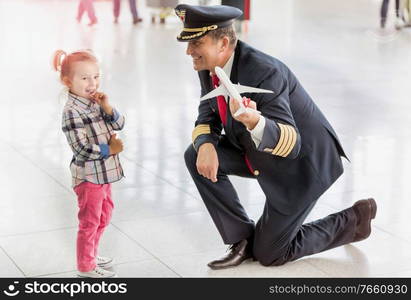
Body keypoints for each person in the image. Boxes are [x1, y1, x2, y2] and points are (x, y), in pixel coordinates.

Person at [176, 4, 377, 269]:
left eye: (196, 43)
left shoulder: (264, 72)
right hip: (257, 154)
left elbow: (291, 144)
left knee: (271, 254)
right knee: (195, 154)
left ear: (223, 43)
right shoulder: (209, 65)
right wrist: (205, 144)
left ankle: (355, 220)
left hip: (301, 165)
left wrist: (255, 121)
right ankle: (242, 240)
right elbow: (208, 111)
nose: (189, 51)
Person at [53, 49, 125, 277]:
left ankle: (91, 255)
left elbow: (120, 123)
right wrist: (109, 149)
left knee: (105, 215)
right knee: (90, 221)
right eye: (84, 78)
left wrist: (107, 107)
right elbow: (81, 149)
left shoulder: (95, 103)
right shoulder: (72, 112)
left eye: (96, 76)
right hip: (89, 177)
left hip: (105, 173)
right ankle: (85, 266)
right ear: (67, 81)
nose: (92, 82)